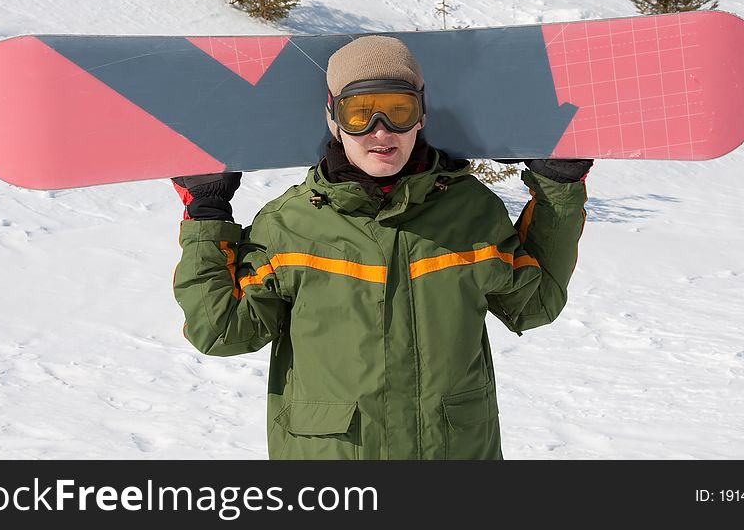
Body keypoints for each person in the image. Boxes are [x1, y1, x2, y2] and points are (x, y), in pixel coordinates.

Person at [171, 35, 591, 460]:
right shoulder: (290, 226)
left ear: (421, 114)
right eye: (359, 113)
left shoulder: (471, 213)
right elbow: (221, 332)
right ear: (333, 118)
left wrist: (560, 187)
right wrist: (207, 213)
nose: (380, 131)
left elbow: (534, 304)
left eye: (398, 110)